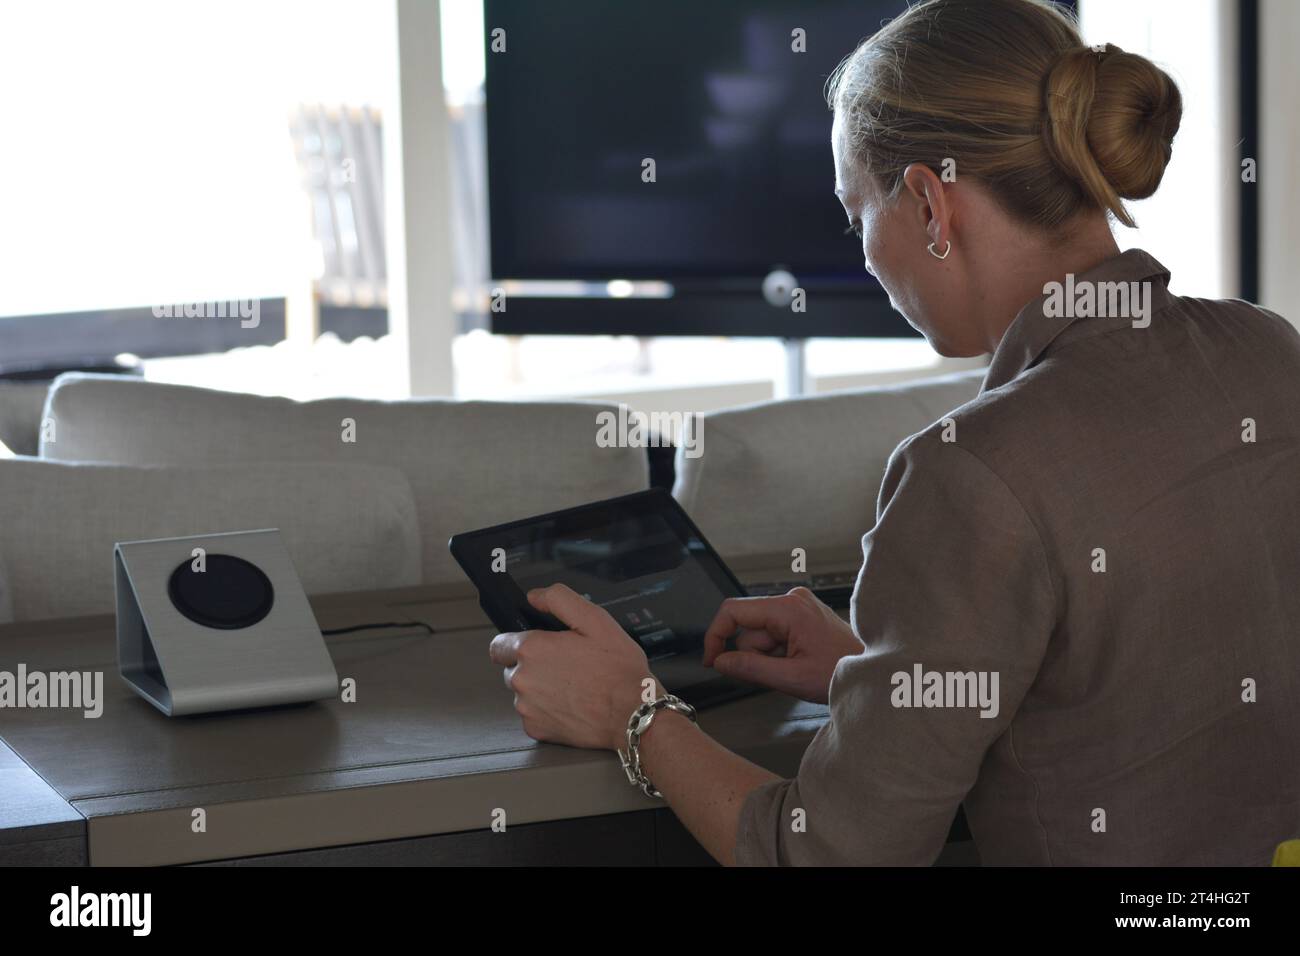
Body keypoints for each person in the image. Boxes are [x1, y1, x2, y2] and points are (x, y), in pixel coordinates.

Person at [489, 0, 1300, 865]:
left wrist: (633, 714)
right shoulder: (1268, 350)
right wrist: (881, 673)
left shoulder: (972, 473)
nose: (865, 252)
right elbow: (1143, 682)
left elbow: (831, 855)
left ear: (928, 204)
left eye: (856, 213)